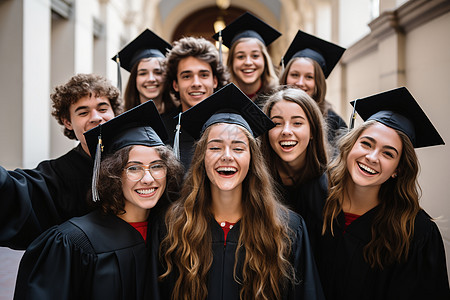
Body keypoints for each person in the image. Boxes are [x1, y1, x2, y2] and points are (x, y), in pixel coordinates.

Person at [158, 83, 324, 299]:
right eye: (215, 147)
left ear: (252, 159)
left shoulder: (287, 229)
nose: (227, 156)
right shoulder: (173, 227)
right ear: (201, 158)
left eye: (238, 148)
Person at [14, 100, 183, 300]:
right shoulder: (72, 242)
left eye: (156, 166)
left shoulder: (171, 233)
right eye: (134, 168)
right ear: (112, 174)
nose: (148, 179)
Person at [317, 87, 449, 299]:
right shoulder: (317, 201)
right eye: (366, 144)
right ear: (350, 147)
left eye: (388, 153)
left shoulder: (415, 233)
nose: (372, 157)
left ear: (398, 169)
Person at [0, 73, 121, 249]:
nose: (96, 117)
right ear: (68, 122)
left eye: (103, 109)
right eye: (83, 112)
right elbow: (18, 193)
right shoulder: (59, 173)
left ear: (115, 113)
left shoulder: (137, 158)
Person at [261, 87, 328, 251]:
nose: (286, 131)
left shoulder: (330, 186)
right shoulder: (258, 182)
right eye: (276, 123)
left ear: (313, 131)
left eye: (297, 123)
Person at [161, 36, 229, 169]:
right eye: (187, 76)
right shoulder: (161, 131)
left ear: (215, 81)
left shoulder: (231, 126)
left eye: (204, 75)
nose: (196, 83)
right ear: (175, 84)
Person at [279, 30, 346, 151]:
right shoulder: (269, 112)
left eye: (309, 77)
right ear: (285, 77)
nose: (300, 83)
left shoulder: (334, 123)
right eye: (294, 75)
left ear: (318, 83)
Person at [213, 11, 280, 108]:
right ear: (231, 62)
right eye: (240, 57)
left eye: (255, 56)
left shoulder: (277, 97)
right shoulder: (220, 98)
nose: (248, 62)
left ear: (265, 60)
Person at [112, 29, 177, 114]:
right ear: (134, 78)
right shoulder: (121, 121)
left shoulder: (179, 119)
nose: (151, 79)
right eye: (143, 73)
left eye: (158, 72)